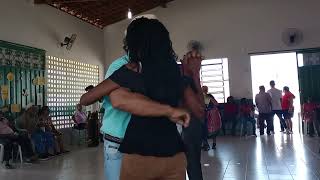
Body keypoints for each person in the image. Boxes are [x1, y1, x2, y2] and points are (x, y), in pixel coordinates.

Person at [80, 17, 204, 180]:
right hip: (171, 152)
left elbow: (97, 99)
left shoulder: (131, 71)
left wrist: (191, 77)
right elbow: (198, 111)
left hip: (137, 151)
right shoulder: (173, 71)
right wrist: (191, 77)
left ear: (132, 43)